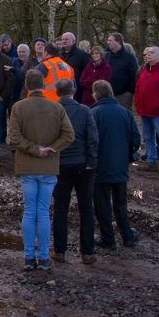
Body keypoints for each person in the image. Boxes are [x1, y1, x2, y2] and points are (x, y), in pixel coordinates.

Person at [9, 70, 75, 271]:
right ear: (44, 85)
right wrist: (52, 148)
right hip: (48, 166)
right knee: (43, 212)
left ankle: (30, 257)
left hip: (28, 166)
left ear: (27, 86)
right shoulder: (56, 108)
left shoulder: (18, 107)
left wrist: (35, 149)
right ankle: (44, 257)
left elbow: (14, 137)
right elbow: (69, 135)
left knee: (30, 212)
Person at [91, 80, 142, 251]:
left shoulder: (94, 113)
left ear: (96, 94)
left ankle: (108, 239)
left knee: (102, 204)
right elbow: (135, 139)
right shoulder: (125, 113)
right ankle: (127, 235)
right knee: (120, 203)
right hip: (120, 166)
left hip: (100, 166)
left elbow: (90, 140)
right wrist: (127, 155)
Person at [52, 79, 98, 265]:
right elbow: (93, 138)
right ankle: (87, 252)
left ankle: (60, 250)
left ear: (57, 92)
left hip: (60, 165)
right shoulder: (84, 111)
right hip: (82, 165)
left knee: (60, 208)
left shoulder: (53, 110)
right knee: (86, 208)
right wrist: (91, 161)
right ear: (74, 90)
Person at [105, 32, 138, 110]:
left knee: (124, 117)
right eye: (108, 40)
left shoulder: (129, 58)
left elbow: (134, 75)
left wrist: (129, 91)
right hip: (108, 94)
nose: (108, 43)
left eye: (110, 41)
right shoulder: (106, 57)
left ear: (118, 42)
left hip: (124, 95)